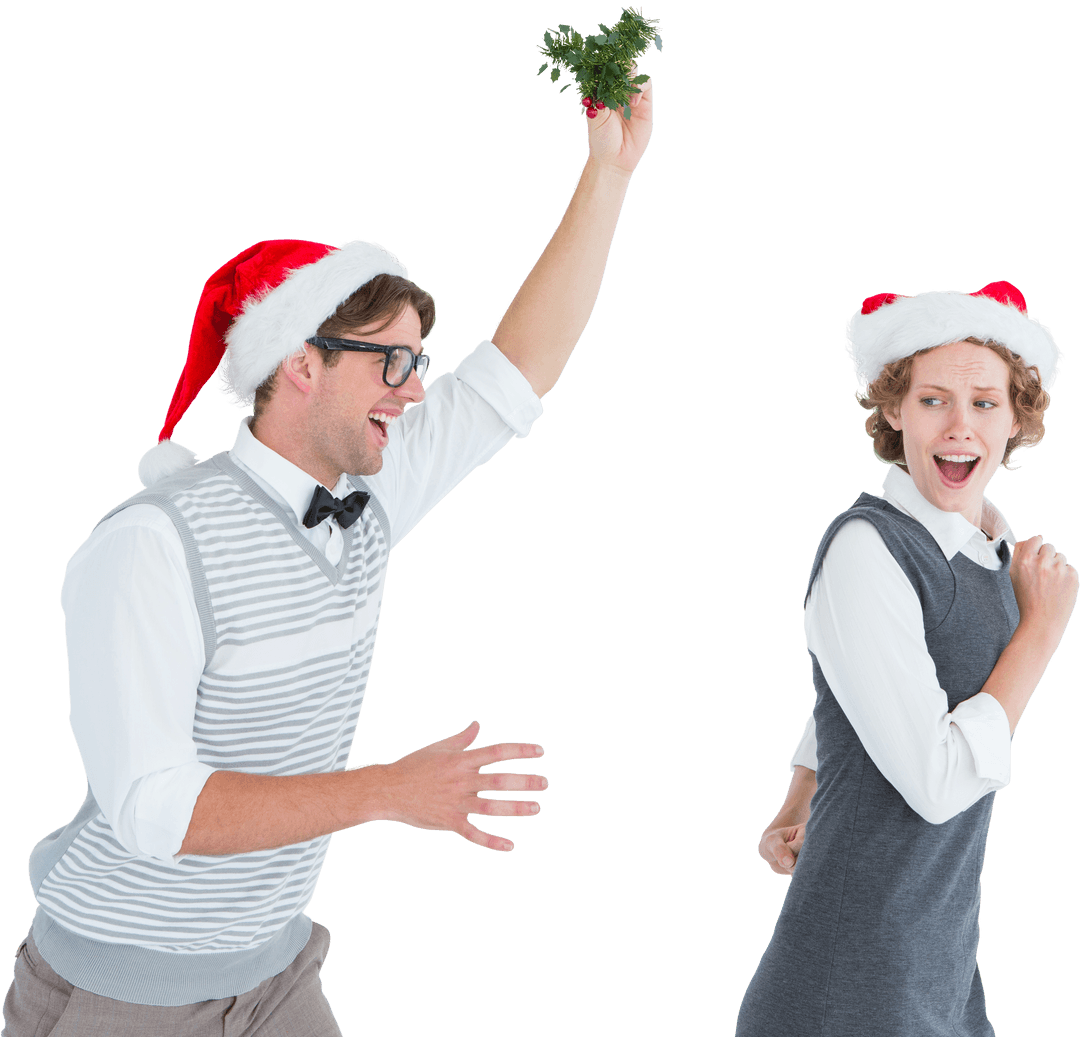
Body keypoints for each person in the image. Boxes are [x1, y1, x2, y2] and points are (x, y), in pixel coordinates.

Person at [1, 80, 654, 1037]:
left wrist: (609, 176)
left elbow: (516, 370)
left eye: (418, 360)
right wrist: (390, 791)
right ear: (301, 363)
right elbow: (155, 810)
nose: (416, 388)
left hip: (273, 972)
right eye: (392, 361)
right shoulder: (150, 547)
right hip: (120, 992)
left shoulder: (366, 495)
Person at [735, 282, 1077, 1037]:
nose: (960, 426)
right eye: (933, 400)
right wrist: (1040, 634)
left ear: (1017, 418)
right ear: (894, 409)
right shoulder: (867, 547)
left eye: (985, 402)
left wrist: (801, 794)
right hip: (853, 977)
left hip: (938, 964)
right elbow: (934, 780)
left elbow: (873, 681)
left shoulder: (986, 540)